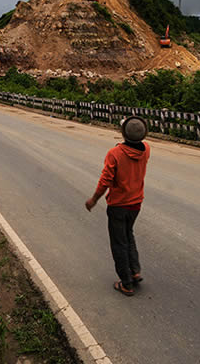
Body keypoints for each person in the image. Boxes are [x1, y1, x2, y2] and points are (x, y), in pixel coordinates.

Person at [85, 116, 150, 297]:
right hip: (136, 204)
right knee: (128, 235)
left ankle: (126, 283)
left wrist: (94, 199)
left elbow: (105, 180)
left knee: (118, 242)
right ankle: (135, 271)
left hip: (118, 205)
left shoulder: (115, 154)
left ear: (123, 134)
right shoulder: (146, 150)